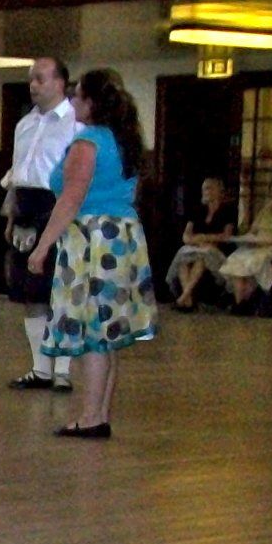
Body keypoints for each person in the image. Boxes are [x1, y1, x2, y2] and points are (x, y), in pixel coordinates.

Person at [28, 68, 157, 439]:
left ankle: (89, 416)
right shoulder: (124, 139)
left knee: (91, 332)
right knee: (107, 330)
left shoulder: (89, 142)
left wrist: (43, 245)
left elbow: (71, 198)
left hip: (92, 239)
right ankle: (98, 412)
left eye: (78, 95)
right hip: (122, 237)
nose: (73, 101)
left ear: (91, 102)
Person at [4, 56, 79, 390]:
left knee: (59, 290)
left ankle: (62, 370)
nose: (33, 85)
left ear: (60, 82)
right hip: (26, 206)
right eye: (31, 79)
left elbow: (77, 180)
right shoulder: (24, 124)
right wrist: (11, 214)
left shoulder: (75, 124)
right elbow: (17, 173)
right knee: (30, 291)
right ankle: (40, 368)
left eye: (41, 79)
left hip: (57, 206)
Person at [218, 179, 272, 315]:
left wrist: (266, 241)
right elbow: (253, 230)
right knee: (237, 259)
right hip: (257, 244)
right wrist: (246, 238)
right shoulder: (266, 209)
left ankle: (247, 299)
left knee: (254, 262)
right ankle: (239, 301)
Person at [165, 177, 237, 312]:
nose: (206, 191)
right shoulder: (197, 210)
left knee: (202, 259)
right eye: (204, 189)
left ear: (219, 191)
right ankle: (188, 300)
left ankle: (183, 298)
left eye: (209, 188)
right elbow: (186, 236)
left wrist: (204, 238)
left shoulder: (228, 211)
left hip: (216, 250)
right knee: (183, 260)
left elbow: (226, 236)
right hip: (196, 248)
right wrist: (198, 241)